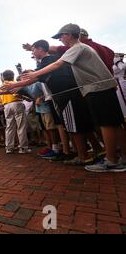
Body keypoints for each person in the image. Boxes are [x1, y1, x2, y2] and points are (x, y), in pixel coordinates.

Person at [22, 24, 125, 172]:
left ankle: (111, 161)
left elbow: (58, 63)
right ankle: (122, 158)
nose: (60, 40)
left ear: (68, 35)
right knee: (115, 123)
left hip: (96, 88)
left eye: (60, 37)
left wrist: (34, 74)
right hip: (103, 86)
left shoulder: (77, 47)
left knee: (106, 123)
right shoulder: (82, 47)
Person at [113, 53, 126, 118]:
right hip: (118, 83)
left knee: (123, 99)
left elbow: (122, 67)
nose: (122, 57)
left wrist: (117, 61)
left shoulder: (118, 62)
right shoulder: (116, 62)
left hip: (121, 82)